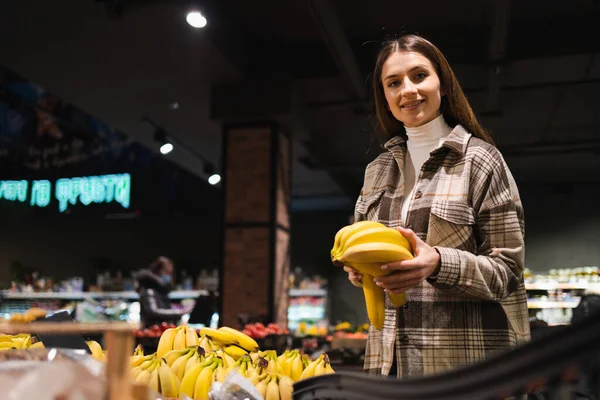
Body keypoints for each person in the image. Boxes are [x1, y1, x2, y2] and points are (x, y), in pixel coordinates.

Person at [343, 34, 530, 378]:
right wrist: (359, 270)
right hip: (389, 364)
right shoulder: (376, 172)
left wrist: (439, 263)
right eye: (393, 83)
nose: (408, 90)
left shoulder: (481, 161)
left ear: (442, 85)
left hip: (463, 371)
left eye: (419, 76)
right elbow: (365, 252)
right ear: (385, 98)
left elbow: (508, 273)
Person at [135, 256, 193, 328]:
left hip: (163, 329)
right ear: (158, 271)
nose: (169, 276)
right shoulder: (150, 288)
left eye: (171, 273)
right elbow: (154, 312)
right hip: (151, 332)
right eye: (167, 272)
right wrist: (179, 312)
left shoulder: (162, 289)